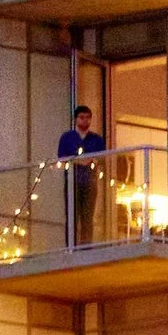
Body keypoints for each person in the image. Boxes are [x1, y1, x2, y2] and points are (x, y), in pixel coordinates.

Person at [56, 103, 106, 246]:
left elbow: (102, 157)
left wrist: (90, 161)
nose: (85, 121)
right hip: (72, 181)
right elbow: (61, 157)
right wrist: (78, 161)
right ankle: (70, 247)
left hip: (90, 181)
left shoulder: (96, 139)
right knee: (71, 215)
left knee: (87, 216)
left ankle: (86, 247)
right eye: (82, 117)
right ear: (76, 119)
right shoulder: (67, 137)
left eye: (88, 118)